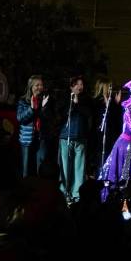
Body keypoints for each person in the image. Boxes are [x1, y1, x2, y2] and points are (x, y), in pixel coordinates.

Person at [57, 75, 91, 204]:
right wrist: (71, 103)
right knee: (65, 167)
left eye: (82, 84)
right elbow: (60, 114)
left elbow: (88, 114)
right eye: (77, 84)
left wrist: (78, 104)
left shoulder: (86, 99)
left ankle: (77, 194)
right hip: (66, 137)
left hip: (80, 137)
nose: (80, 87)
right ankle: (64, 192)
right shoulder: (64, 98)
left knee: (79, 167)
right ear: (71, 86)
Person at [15, 75, 51, 178]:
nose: (40, 87)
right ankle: (25, 191)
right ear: (31, 86)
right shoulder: (23, 101)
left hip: (40, 138)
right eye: (37, 85)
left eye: (41, 85)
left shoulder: (45, 100)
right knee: (26, 171)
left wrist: (44, 107)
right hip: (27, 139)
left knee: (41, 170)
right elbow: (20, 118)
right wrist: (31, 108)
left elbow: (49, 118)